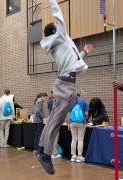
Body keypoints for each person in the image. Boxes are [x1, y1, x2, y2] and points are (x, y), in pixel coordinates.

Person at [36, 0, 93, 175]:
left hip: (64, 83)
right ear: (55, 31)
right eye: (58, 27)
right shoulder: (59, 36)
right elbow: (58, 14)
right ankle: (45, 154)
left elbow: (72, 60)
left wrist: (83, 53)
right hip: (66, 85)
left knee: (54, 119)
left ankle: (40, 149)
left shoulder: (59, 43)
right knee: (56, 121)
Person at [68, 94, 89, 163]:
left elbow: (68, 114)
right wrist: (85, 119)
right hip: (81, 123)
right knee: (80, 139)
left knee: (73, 139)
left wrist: (68, 124)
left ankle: (73, 156)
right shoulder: (84, 102)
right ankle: (79, 156)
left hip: (72, 123)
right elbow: (86, 114)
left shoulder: (70, 103)